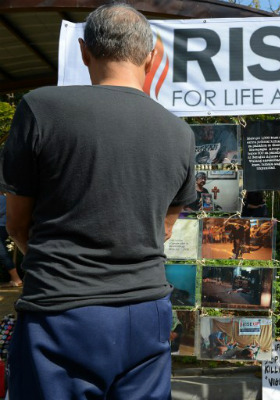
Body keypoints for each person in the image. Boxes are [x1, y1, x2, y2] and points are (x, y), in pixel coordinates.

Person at [0, 4, 196, 399]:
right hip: (147, 310)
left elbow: (17, 225)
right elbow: (165, 227)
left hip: (60, 310)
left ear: (84, 51)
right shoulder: (180, 133)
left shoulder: (41, 108)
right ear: (152, 54)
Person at [0, 193, 22, 287]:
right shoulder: (7, 199)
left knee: (1, 251)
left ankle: (16, 278)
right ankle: (15, 278)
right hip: (6, 228)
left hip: (2, 227)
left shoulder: (3, 199)